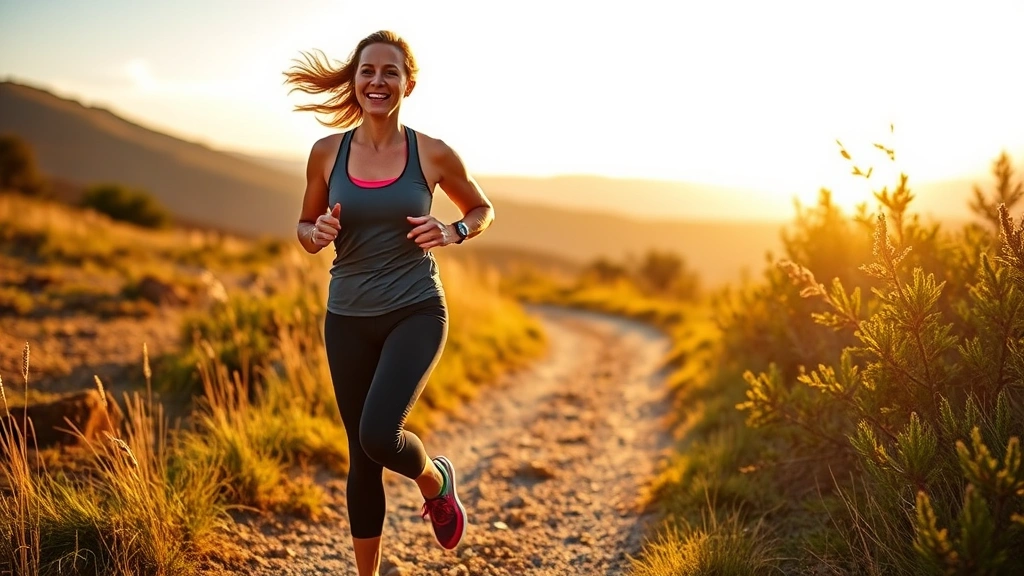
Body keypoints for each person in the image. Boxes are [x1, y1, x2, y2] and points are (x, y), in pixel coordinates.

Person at [283, 30, 494, 576]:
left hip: (415, 309)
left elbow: (481, 208)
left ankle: (434, 481)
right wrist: (318, 231)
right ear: (355, 81)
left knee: (380, 434)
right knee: (361, 459)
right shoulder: (327, 152)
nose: (378, 81)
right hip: (347, 317)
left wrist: (452, 231)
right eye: (368, 71)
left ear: (408, 82)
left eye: (390, 72)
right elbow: (304, 229)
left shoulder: (433, 152)